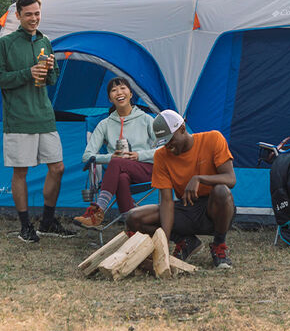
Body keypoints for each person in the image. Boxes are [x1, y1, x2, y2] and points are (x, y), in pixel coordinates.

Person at [0, 0, 73, 242]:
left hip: (44, 115)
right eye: (28, 14)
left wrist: (48, 71)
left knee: (57, 167)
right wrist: (28, 72)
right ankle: (25, 226)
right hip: (18, 117)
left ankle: (47, 221)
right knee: (21, 172)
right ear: (18, 16)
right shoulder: (6, 44)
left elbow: (54, 78)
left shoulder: (45, 40)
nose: (34, 18)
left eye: (37, 13)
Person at [126, 110, 237, 269]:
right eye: (164, 142)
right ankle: (185, 241)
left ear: (183, 129)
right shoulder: (161, 156)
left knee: (221, 190)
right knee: (134, 217)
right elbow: (166, 200)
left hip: (215, 209)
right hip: (186, 207)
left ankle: (219, 246)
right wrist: (163, 239)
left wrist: (199, 178)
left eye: (170, 140)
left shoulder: (213, 139)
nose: (168, 146)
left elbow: (231, 179)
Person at [74, 77, 158, 228]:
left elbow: (165, 148)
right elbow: (87, 156)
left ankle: (97, 211)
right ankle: (132, 225)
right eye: (114, 90)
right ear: (110, 98)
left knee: (117, 164)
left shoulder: (146, 119)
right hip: (119, 171)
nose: (119, 92)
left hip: (145, 170)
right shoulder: (104, 124)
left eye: (123, 88)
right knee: (121, 176)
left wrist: (140, 155)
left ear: (131, 94)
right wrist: (110, 157)